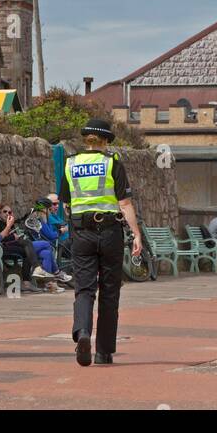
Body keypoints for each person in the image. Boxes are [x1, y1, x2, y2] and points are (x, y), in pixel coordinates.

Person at [61, 118, 141, 366]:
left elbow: (66, 201)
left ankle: (82, 332)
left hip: (81, 232)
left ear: (86, 140)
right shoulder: (112, 163)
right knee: (109, 292)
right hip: (109, 232)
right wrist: (136, 233)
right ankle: (103, 352)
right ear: (105, 141)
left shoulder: (70, 163)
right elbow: (124, 203)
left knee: (84, 289)